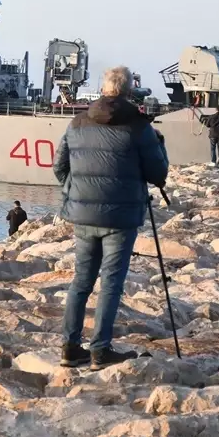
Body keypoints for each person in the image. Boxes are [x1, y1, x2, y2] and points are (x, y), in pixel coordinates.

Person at [54, 66, 168, 370]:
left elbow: (59, 167)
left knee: (81, 281)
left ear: (104, 89)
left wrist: (77, 193)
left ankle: (70, 348)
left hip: (83, 216)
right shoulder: (139, 127)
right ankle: (100, 351)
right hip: (121, 217)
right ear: (129, 91)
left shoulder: (77, 122)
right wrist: (159, 144)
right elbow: (158, 174)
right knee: (110, 284)